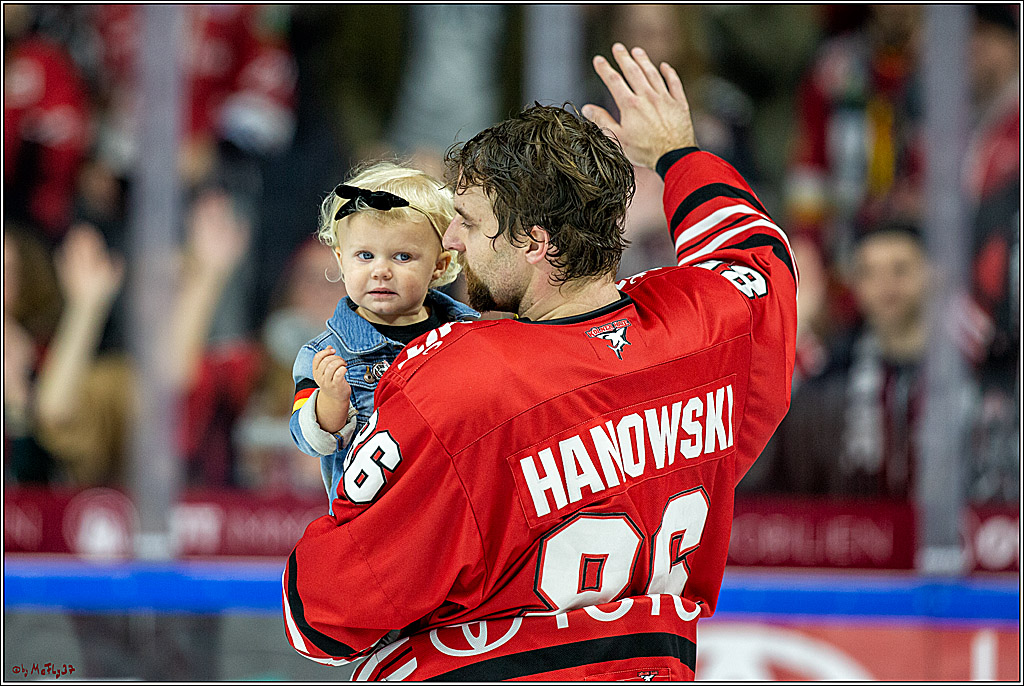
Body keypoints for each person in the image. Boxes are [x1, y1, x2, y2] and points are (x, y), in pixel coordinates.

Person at [282, 44, 797, 680]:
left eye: (469, 221)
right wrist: (678, 155)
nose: (450, 241)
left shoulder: (460, 383)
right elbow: (759, 254)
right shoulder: (708, 324)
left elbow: (322, 615)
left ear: (534, 243)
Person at [289, 162, 477, 511]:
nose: (380, 270)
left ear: (439, 264)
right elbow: (308, 438)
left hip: (454, 519)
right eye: (365, 255)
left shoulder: (469, 336)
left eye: (402, 256)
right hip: (369, 526)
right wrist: (331, 400)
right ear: (341, 260)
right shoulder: (325, 354)